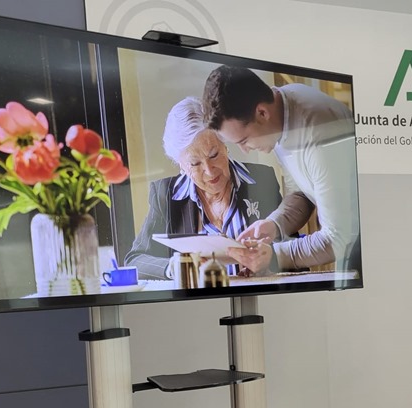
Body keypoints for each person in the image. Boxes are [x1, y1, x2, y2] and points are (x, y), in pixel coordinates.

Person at [125, 97, 310, 279]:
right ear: (181, 165)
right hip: (200, 306)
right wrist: (173, 267)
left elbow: (293, 250)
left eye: (214, 155)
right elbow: (135, 260)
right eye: (195, 163)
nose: (209, 171)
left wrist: (268, 261)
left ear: (225, 144)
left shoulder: (261, 180)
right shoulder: (166, 195)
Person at [201, 65, 360, 274]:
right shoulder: (279, 116)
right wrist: (274, 225)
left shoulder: (318, 132)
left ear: (262, 112)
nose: (245, 151)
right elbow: (302, 192)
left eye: (245, 140)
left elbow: (338, 238)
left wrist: (273, 257)